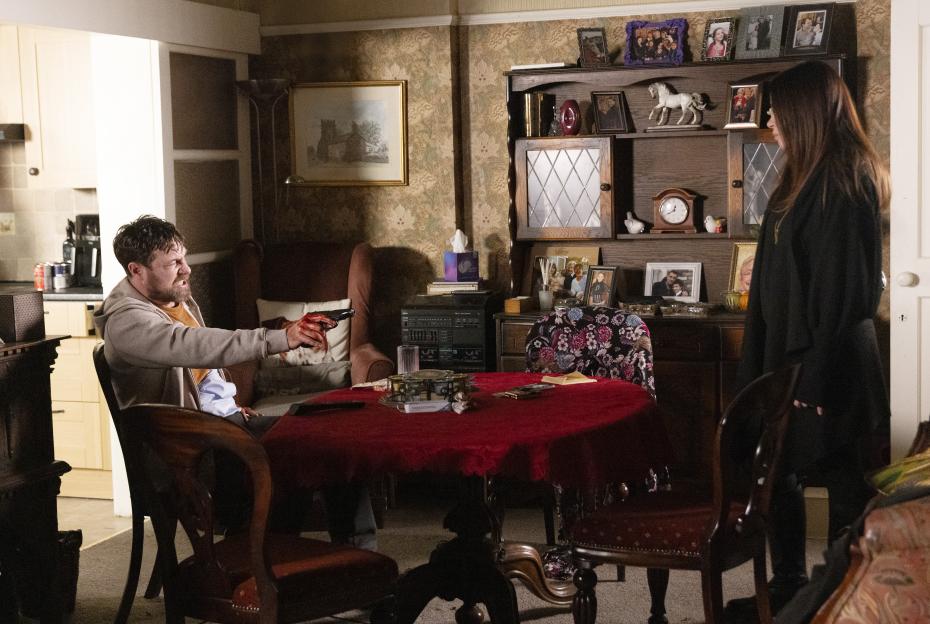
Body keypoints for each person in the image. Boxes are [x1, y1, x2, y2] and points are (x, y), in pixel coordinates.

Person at [94, 215, 378, 548]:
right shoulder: (127, 323)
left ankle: (341, 555)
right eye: (173, 263)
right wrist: (281, 338)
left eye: (184, 258)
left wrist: (230, 405)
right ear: (136, 270)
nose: (186, 269)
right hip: (180, 444)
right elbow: (198, 347)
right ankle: (263, 557)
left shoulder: (171, 299)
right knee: (305, 452)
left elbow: (201, 379)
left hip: (217, 423)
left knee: (330, 439)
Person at [729, 61, 890, 618]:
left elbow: (844, 297)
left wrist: (812, 378)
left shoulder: (845, 179)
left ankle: (850, 591)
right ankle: (794, 587)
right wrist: (761, 371)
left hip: (828, 360)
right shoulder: (798, 174)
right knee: (779, 472)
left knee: (841, 476)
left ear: (804, 112)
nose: (768, 119)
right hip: (786, 358)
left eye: (776, 109)